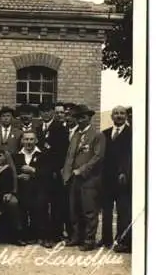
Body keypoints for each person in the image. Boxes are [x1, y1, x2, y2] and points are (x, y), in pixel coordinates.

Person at [62, 104, 106, 251]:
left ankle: (89, 239)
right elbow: (70, 156)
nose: (80, 120)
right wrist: (66, 173)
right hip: (73, 177)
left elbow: (97, 157)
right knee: (74, 209)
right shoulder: (76, 135)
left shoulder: (97, 135)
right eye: (78, 117)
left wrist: (82, 170)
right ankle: (76, 237)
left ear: (89, 118)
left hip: (89, 179)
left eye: (83, 117)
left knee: (89, 210)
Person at [36, 102, 69, 242]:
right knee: (42, 203)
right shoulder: (38, 128)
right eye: (42, 111)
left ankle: (55, 234)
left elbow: (61, 152)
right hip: (40, 171)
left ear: (52, 112)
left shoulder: (60, 128)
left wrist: (55, 169)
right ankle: (43, 234)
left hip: (54, 172)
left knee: (56, 204)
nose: (45, 114)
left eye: (48, 111)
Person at [100, 106, 132, 253]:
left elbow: (131, 156)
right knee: (106, 210)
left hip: (122, 179)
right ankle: (106, 239)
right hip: (106, 178)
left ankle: (123, 240)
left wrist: (125, 172)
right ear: (112, 116)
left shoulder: (132, 133)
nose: (119, 116)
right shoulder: (105, 134)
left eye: (122, 113)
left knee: (123, 210)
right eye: (116, 114)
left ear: (126, 116)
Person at [14, 131, 52, 248]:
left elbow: (48, 173)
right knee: (21, 206)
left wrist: (33, 171)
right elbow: (12, 173)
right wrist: (19, 177)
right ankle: (26, 235)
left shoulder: (44, 154)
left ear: (36, 141)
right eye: (26, 139)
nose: (29, 142)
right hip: (22, 189)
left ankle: (43, 236)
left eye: (31, 139)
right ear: (22, 141)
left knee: (41, 205)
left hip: (39, 188)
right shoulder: (16, 155)